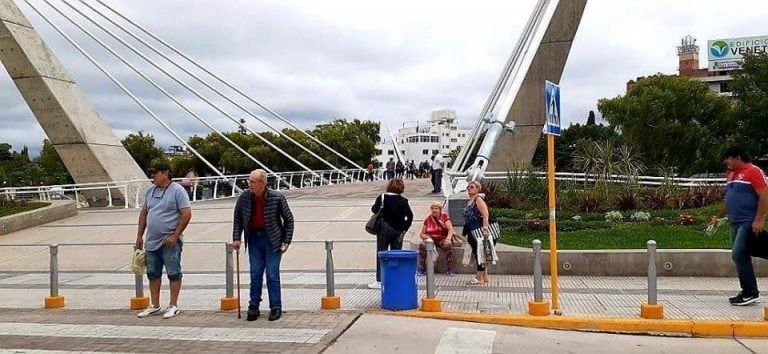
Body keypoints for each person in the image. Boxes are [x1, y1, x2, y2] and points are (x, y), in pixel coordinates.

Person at [232, 169, 295, 321]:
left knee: (272, 274)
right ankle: (253, 306)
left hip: (272, 239)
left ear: (262, 183)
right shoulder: (244, 197)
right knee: (255, 273)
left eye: (252, 182)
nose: (249, 185)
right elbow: (238, 218)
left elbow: (289, 219)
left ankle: (276, 307)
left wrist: (286, 241)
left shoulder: (277, 197)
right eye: (249, 181)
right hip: (253, 238)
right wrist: (236, 238)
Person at [709, 147, 767, 306]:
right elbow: (730, 199)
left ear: (738, 158)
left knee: (738, 254)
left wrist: (759, 219)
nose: (725, 162)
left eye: (728, 158)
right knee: (742, 255)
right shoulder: (731, 175)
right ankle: (748, 291)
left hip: (747, 221)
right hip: (735, 221)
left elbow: (764, 195)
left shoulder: (753, 171)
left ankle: (750, 292)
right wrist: (718, 216)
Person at [135, 162, 192, 319]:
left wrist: (175, 235)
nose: (152, 176)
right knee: (153, 273)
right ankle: (155, 305)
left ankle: (173, 305)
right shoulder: (150, 192)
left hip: (169, 242)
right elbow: (144, 214)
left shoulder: (178, 191)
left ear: (166, 174)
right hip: (151, 241)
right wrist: (139, 236)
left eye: (155, 173)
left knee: (174, 273)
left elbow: (186, 214)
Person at [369, 178, 413, 289]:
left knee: (381, 254)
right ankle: (395, 278)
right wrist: (404, 229)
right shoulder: (403, 201)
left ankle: (380, 280)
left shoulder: (382, 197)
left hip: (383, 230)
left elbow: (374, 209)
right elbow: (409, 216)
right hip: (398, 232)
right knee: (396, 255)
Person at [463, 180, 493, 285]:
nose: (469, 189)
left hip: (478, 230)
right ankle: (485, 276)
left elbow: (485, 214)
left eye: (472, 187)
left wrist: (485, 228)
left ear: (477, 189)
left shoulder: (478, 199)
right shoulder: (470, 200)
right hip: (471, 229)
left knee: (479, 253)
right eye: (468, 187)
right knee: (479, 252)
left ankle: (479, 277)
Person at [418, 201, 456, 277]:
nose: (434, 210)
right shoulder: (428, 219)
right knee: (422, 245)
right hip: (431, 240)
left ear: (440, 209)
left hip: (442, 239)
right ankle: (422, 268)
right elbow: (422, 234)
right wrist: (428, 238)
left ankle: (450, 268)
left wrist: (448, 239)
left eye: (436, 208)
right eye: (432, 208)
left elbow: (450, 229)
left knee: (448, 245)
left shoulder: (444, 217)